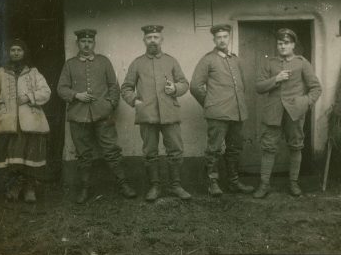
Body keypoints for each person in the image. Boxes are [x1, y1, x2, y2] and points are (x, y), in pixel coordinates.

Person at [57, 29, 136, 204]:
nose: (86, 44)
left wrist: (110, 105)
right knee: (84, 154)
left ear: (94, 43)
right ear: (78, 43)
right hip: (78, 116)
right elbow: (61, 88)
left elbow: (114, 86)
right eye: (83, 41)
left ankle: (124, 184)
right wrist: (77, 95)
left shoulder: (104, 61)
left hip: (103, 114)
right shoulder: (70, 64)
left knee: (111, 150)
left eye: (89, 41)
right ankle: (84, 188)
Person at [121, 25, 191, 202]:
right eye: (149, 37)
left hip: (170, 114)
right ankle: (155, 186)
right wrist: (135, 101)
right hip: (148, 116)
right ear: (144, 40)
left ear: (162, 39)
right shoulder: (137, 63)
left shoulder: (171, 61)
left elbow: (184, 83)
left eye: (156, 37)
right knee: (150, 152)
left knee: (175, 150)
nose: (153, 40)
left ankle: (175, 185)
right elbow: (126, 88)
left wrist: (175, 88)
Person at [253, 28, 322, 198]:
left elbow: (316, 88)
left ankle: (293, 183)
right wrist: (276, 79)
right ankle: (264, 184)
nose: (282, 46)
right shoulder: (269, 63)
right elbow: (259, 87)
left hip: (295, 112)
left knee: (296, 146)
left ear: (293, 45)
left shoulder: (302, 63)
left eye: (286, 43)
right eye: (279, 43)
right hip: (273, 112)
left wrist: (304, 103)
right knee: (269, 147)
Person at [0, 38, 51, 203]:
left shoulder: (33, 73)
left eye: (19, 50)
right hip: (9, 123)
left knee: (31, 155)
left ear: (24, 53)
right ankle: (14, 187)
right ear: (9, 53)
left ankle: (29, 189)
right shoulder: (0, 73)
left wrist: (29, 97)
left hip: (31, 122)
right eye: (13, 50)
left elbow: (46, 91)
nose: (15, 53)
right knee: (13, 156)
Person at [190, 24, 254, 197]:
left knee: (234, 148)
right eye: (219, 37)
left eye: (225, 36)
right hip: (217, 114)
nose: (222, 40)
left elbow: (242, 85)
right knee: (214, 149)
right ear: (214, 40)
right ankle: (212, 183)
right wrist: (211, 104)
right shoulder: (208, 59)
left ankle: (233, 182)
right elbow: (195, 86)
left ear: (229, 38)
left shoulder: (235, 59)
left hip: (237, 112)